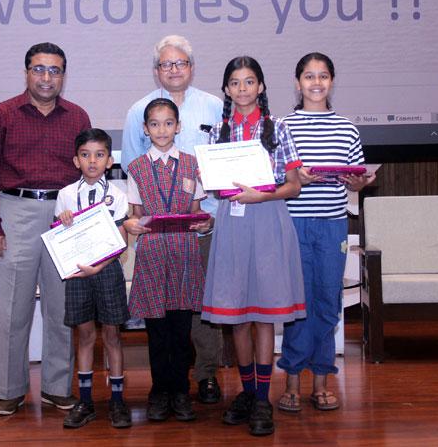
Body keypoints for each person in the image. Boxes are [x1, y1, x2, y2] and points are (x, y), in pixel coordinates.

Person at [0, 42, 89, 416]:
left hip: (64, 216)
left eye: (55, 70)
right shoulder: (2, 114)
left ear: (63, 76)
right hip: (15, 212)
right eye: (39, 69)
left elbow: (89, 171)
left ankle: (57, 387)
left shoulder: (78, 117)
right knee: (13, 308)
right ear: (26, 73)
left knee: (61, 309)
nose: (46, 77)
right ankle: (9, 389)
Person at [201, 56, 306, 437]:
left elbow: (293, 186)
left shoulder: (278, 128)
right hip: (232, 225)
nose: (242, 89)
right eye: (235, 82)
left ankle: (262, 398)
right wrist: (223, 184)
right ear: (226, 90)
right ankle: (246, 393)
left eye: (249, 81)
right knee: (238, 316)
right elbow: (216, 188)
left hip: (268, 221)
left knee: (264, 315)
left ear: (260, 86)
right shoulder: (218, 131)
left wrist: (261, 195)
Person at [121, 35, 224, 404]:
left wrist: (208, 219)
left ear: (191, 67)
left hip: (205, 221)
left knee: (201, 307)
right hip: (157, 237)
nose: (174, 69)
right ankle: (167, 386)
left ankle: (206, 375)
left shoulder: (215, 106)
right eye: (166, 64)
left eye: (180, 63)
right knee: (165, 315)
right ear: (156, 70)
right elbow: (134, 169)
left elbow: (226, 159)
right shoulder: (137, 111)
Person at [277, 52, 375, 413]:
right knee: (296, 304)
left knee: (327, 302)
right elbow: (273, 177)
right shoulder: (283, 126)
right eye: (309, 76)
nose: (316, 83)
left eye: (322, 76)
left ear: (331, 81)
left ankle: (321, 381)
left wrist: (359, 182)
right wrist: (295, 178)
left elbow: (356, 177)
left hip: (333, 225)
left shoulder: (347, 128)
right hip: (293, 224)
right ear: (297, 82)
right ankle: (291, 382)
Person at [123, 98, 213, 422]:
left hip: (184, 254)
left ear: (179, 126)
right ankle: (159, 391)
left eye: (168, 123)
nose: (162, 130)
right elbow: (136, 214)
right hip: (152, 256)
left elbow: (197, 212)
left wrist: (206, 223)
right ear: (145, 129)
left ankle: (181, 391)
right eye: (155, 124)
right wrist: (131, 224)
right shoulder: (136, 168)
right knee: (157, 331)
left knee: (180, 330)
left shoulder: (192, 164)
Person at [55, 128, 133, 429]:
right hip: (77, 273)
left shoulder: (118, 195)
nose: (92, 161)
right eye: (85, 155)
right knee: (85, 336)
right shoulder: (65, 195)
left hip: (107, 271)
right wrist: (63, 222)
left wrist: (99, 267)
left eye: (99, 155)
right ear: (76, 160)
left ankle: (117, 400)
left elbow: (122, 241)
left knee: (112, 336)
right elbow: (59, 237)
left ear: (110, 161)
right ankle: (85, 401)